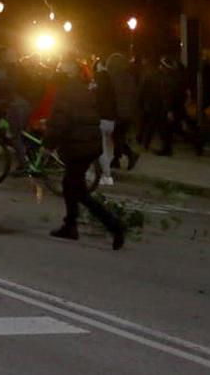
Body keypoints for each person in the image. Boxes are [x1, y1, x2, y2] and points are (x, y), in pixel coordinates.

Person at [45, 55, 126, 249]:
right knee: (70, 185)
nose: (58, 68)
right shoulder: (85, 88)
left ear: (69, 69)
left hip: (77, 144)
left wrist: (48, 144)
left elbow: (60, 120)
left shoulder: (67, 91)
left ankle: (114, 225)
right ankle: (70, 224)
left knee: (78, 191)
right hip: (87, 142)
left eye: (61, 65)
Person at [105, 52, 139, 171]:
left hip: (118, 112)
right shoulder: (128, 77)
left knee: (117, 137)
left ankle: (130, 154)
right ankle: (116, 160)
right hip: (128, 112)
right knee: (118, 136)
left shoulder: (113, 77)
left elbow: (112, 95)